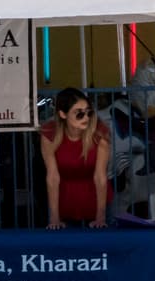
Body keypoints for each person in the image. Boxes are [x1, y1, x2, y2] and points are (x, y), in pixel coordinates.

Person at [40, 87, 111, 229]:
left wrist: (100, 217)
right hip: (64, 201)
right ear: (62, 114)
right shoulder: (49, 133)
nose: (86, 118)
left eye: (88, 112)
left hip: (97, 199)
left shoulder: (99, 132)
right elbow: (53, 177)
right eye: (79, 114)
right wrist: (54, 217)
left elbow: (100, 176)